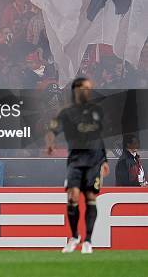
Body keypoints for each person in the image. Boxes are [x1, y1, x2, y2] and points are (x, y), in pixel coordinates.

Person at [46, 77, 110, 254]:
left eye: (89, 88)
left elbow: (99, 136)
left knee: (91, 197)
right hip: (75, 160)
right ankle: (75, 236)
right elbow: (52, 130)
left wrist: (104, 159)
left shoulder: (97, 111)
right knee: (72, 197)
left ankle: (88, 240)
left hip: (94, 160)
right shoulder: (66, 113)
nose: (86, 91)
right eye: (83, 88)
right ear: (75, 90)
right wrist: (50, 143)